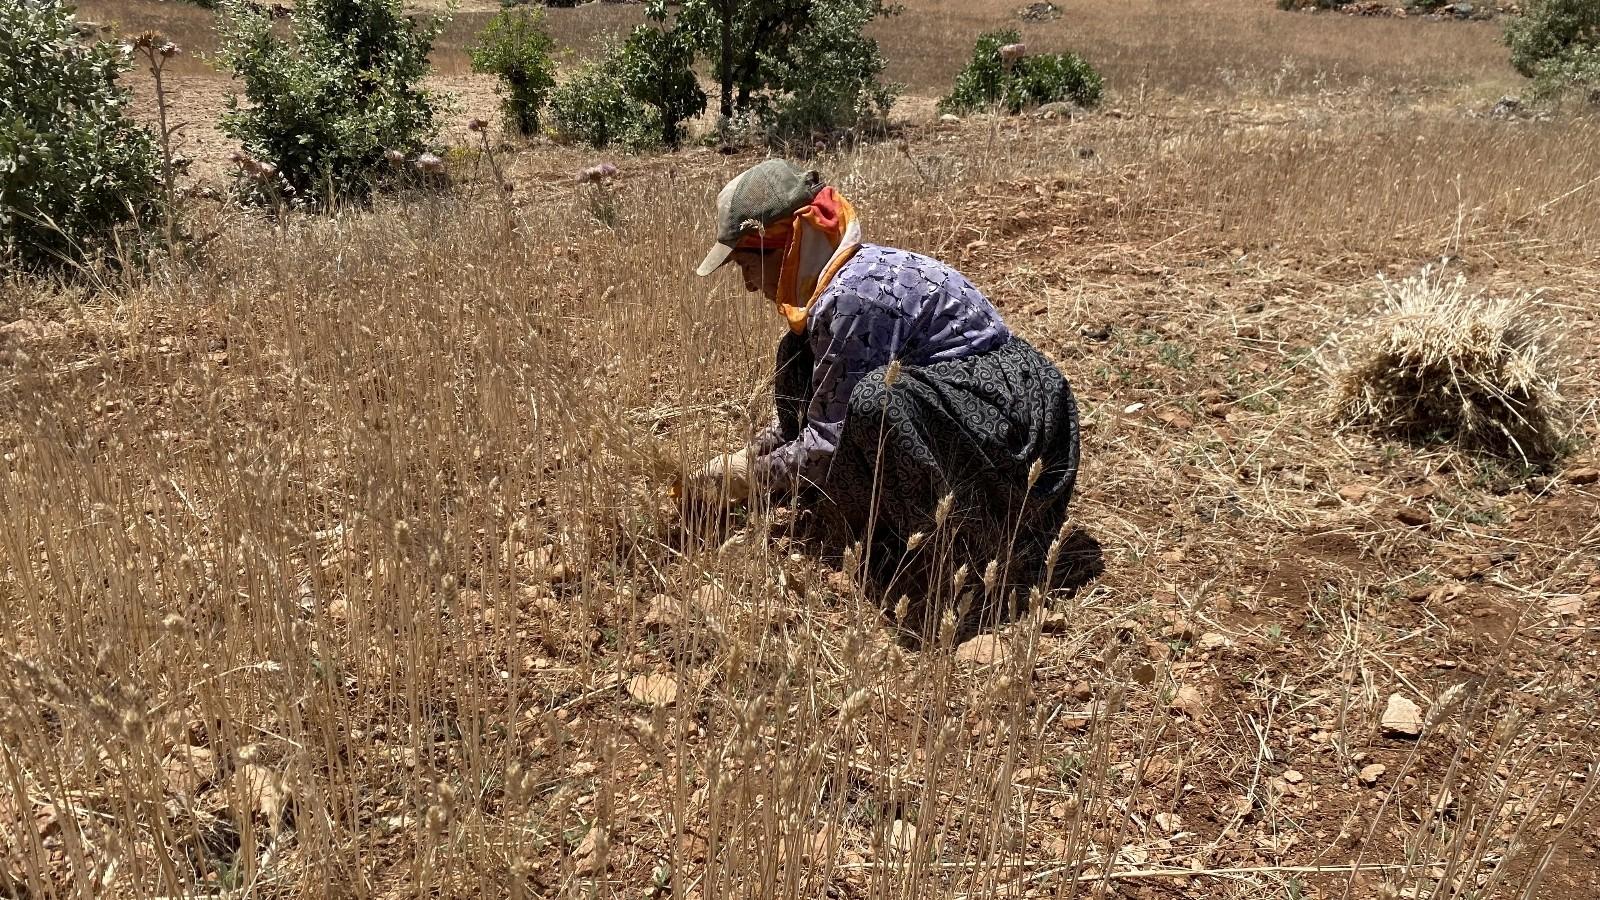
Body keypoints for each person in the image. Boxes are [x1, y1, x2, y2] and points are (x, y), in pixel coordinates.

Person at [689, 159, 1080, 599]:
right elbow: (821, 407)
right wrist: (744, 455)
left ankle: (956, 550)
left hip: (1013, 430)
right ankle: (871, 514)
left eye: (748, 264)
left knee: (877, 401)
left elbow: (824, 442)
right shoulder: (837, 283)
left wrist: (744, 478)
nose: (746, 284)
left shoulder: (850, 299)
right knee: (797, 355)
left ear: (789, 246)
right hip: (971, 403)